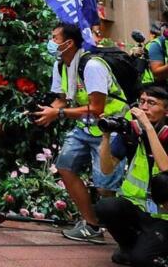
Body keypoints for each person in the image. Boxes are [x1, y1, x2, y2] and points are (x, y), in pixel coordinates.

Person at [34, 23, 131, 244]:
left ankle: (123, 236)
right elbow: (61, 99)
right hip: (84, 127)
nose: (51, 42)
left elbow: (97, 108)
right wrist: (44, 113)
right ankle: (91, 224)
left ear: (69, 43)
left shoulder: (92, 66)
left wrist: (58, 113)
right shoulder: (60, 65)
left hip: (111, 129)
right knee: (65, 166)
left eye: (55, 38)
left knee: (105, 186)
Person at [96, 84, 168, 266]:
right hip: (138, 209)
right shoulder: (132, 132)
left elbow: (165, 167)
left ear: (166, 111)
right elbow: (106, 169)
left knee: (141, 260)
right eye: (142, 101)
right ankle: (131, 248)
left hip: (164, 216)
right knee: (106, 207)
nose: (144, 108)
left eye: (151, 103)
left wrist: (148, 128)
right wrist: (105, 137)